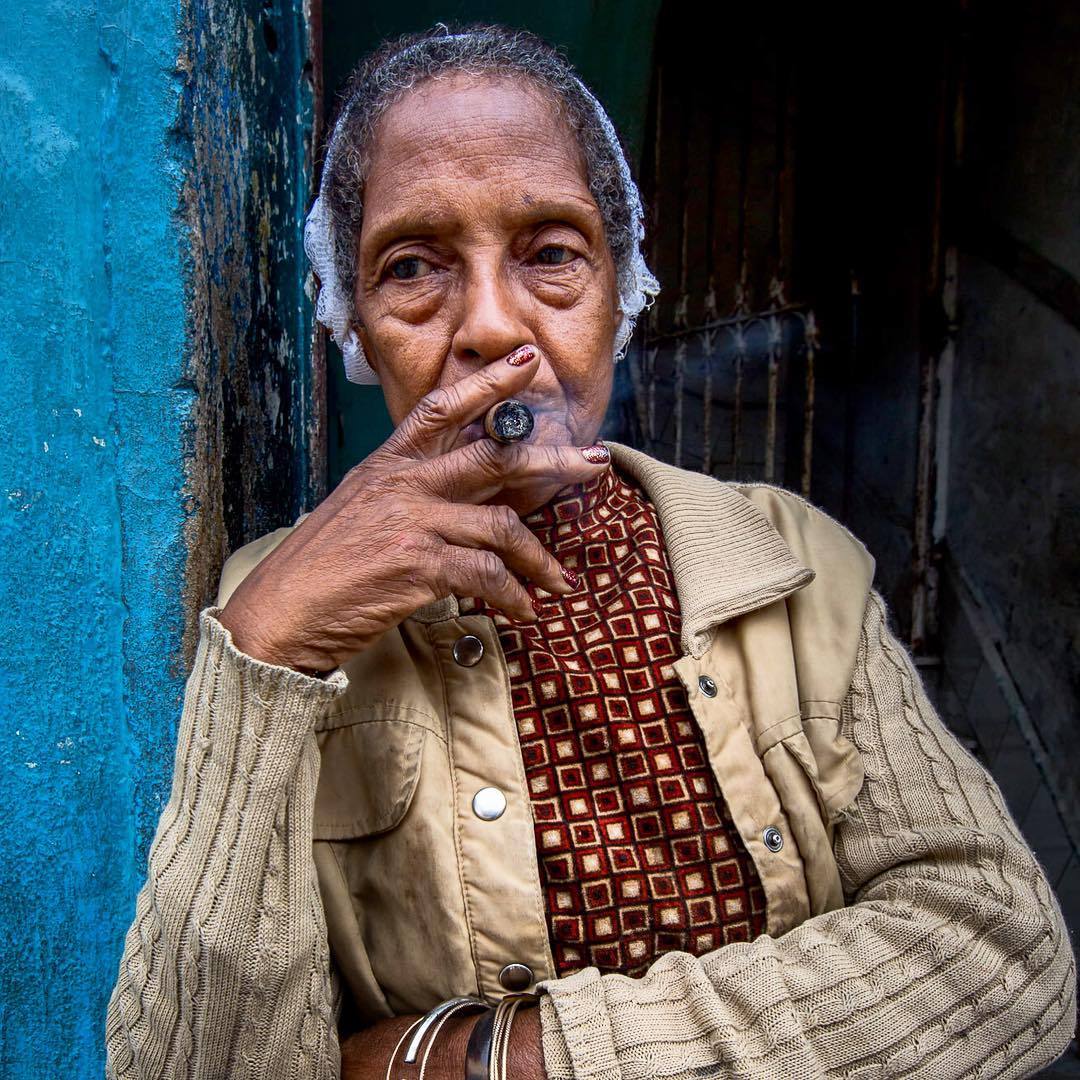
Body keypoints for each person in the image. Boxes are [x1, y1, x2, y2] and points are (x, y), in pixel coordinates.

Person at [104, 22, 1077, 1080]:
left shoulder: (792, 563)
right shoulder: (277, 611)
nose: (489, 325)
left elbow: (1002, 954)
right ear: (355, 322)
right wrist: (265, 654)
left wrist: (492, 1062)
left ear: (623, 289)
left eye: (551, 253)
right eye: (414, 266)